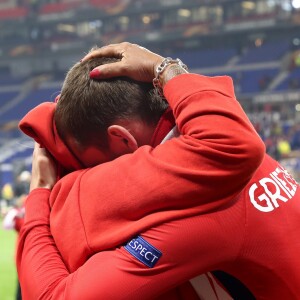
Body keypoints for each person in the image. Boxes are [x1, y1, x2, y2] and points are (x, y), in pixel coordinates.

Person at [17, 43, 299, 299]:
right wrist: (164, 68)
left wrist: (40, 195)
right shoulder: (221, 129)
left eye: (91, 164)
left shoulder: (196, 207)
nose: (90, 173)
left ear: (123, 140)